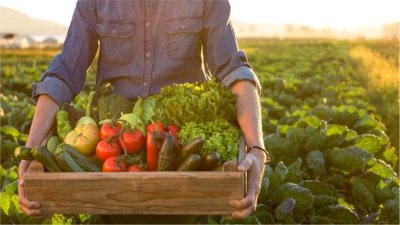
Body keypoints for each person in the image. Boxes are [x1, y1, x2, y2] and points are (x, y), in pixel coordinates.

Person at [18, 0, 267, 224]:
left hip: (182, 148)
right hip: (113, 146)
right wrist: (30, 152)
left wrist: (256, 148)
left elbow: (233, 70)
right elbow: (64, 73)